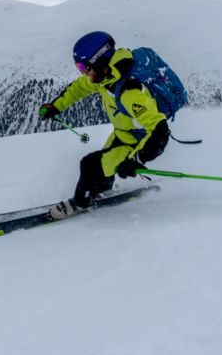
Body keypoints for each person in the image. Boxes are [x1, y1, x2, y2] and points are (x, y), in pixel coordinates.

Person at [38, 31, 170, 219]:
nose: (83, 72)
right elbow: (79, 87)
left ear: (100, 61)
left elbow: (160, 130)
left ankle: (80, 203)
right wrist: (56, 106)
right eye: (79, 67)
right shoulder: (105, 77)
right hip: (121, 135)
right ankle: (101, 190)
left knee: (90, 165)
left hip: (136, 143)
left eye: (84, 67)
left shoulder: (129, 91)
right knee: (102, 167)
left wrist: (136, 160)